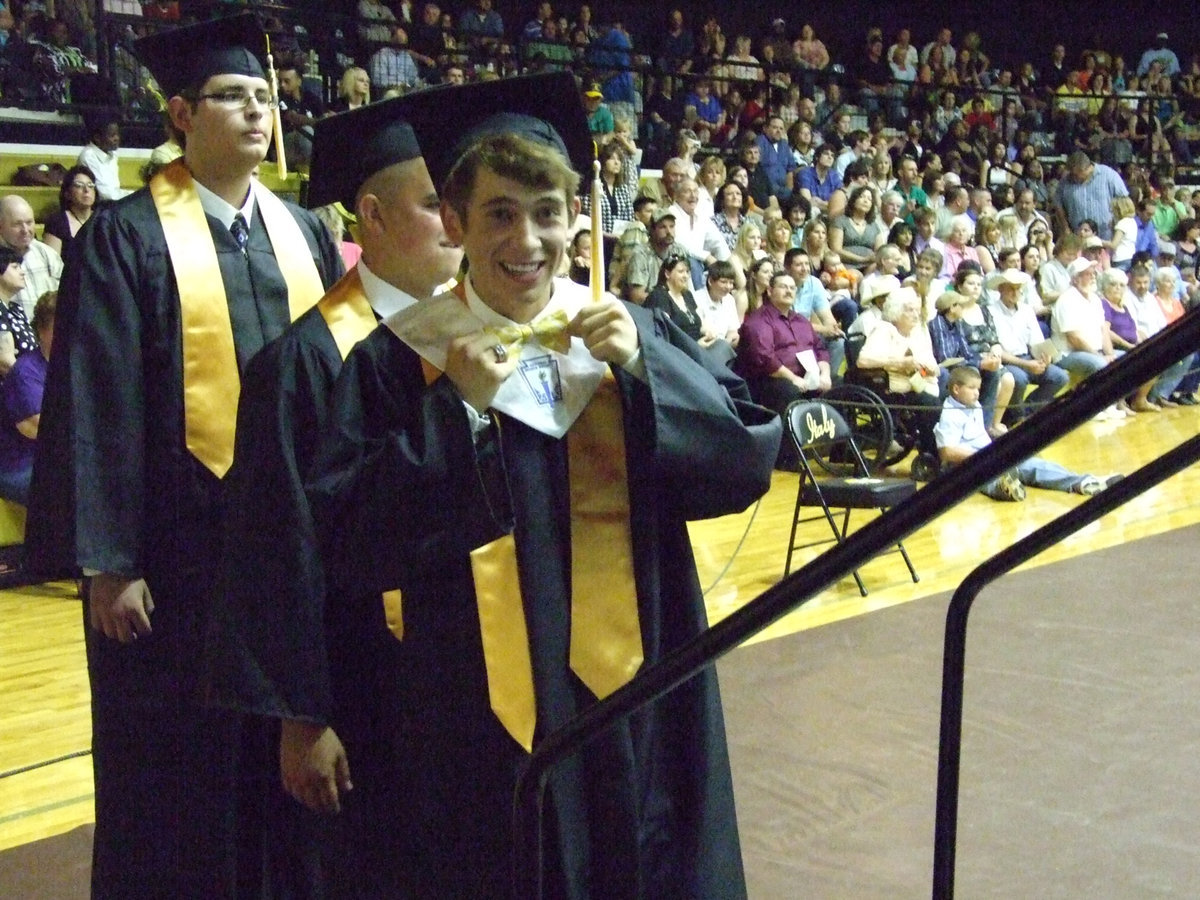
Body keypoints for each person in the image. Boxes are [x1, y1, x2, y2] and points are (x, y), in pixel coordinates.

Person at [303, 70, 779, 898]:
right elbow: (349, 538)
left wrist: (648, 371)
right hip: (473, 712)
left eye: (548, 213)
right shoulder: (398, 362)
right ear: (453, 221)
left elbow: (742, 466)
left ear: (576, 217)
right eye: (499, 214)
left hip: (638, 695)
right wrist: (454, 415)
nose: (527, 240)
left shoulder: (627, 333)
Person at [25, 16, 344, 898]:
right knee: (175, 772)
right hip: (176, 559)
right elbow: (98, 403)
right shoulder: (123, 238)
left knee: (278, 753)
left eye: (266, 98)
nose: (257, 113)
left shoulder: (305, 235)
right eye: (233, 97)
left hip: (286, 548)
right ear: (178, 113)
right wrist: (108, 559)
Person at [206, 95, 463, 897]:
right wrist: (301, 717)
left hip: (454, 673)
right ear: (374, 217)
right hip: (361, 682)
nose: (456, 227)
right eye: (434, 205)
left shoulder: (465, 342)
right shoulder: (306, 362)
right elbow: (276, 549)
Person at [935, 365, 1122, 501]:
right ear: (956, 389)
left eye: (978, 388)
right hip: (967, 464)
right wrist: (982, 455)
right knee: (984, 475)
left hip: (989, 452)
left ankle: (1082, 482)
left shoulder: (974, 405)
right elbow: (947, 452)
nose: (977, 393)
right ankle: (1003, 488)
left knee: (1030, 463)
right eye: (972, 388)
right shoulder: (949, 414)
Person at [734, 269, 830, 468]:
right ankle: (786, 456)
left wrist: (825, 374)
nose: (789, 291)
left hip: (806, 376)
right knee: (788, 390)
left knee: (839, 385)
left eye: (792, 287)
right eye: (783, 287)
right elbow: (764, 358)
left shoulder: (802, 321)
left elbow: (819, 348)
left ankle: (840, 451)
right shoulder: (758, 320)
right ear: (769, 291)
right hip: (764, 380)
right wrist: (793, 378)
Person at [986, 268, 1069, 424]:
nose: (1015, 292)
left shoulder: (1027, 310)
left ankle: (1026, 411)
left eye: (1018, 289)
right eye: (1011, 288)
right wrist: (1027, 364)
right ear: (1001, 289)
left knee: (1059, 377)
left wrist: (1045, 358)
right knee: (1019, 378)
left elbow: (1037, 342)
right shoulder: (990, 312)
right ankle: (1018, 416)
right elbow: (996, 350)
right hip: (1006, 362)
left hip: (1028, 357)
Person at [0, 285, 52, 504]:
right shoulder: (26, 372)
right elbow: (40, 429)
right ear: (41, 330)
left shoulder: (75, 368)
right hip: (18, 467)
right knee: (71, 487)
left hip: (53, 462)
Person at [0, 195, 62, 321]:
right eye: (17, 224)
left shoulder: (47, 253)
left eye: (29, 222)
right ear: (1, 226)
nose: (25, 230)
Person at [41, 164, 96, 257]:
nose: (86, 190)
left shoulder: (104, 219)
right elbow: (52, 263)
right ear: (67, 193)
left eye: (90, 185)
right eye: (79, 185)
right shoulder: (57, 222)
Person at [76, 114, 131, 202]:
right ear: (97, 138)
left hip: (113, 206)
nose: (117, 138)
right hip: (97, 209)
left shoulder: (113, 154)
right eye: (112, 135)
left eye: (117, 134)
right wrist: (133, 196)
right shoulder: (88, 156)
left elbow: (115, 190)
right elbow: (105, 194)